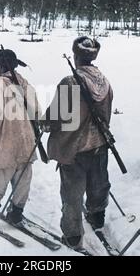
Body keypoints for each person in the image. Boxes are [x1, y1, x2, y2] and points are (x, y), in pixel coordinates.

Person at [40, 36, 113, 249]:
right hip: (99, 143)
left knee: (72, 193)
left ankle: (72, 236)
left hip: (74, 147)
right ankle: (97, 216)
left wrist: (44, 123)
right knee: (98, 183)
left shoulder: (70, 81)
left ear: (76, 56)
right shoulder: (105, 81)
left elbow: (56, 115)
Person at [0, 49, 40, 227]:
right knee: (22, 180)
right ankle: (16, 215)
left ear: (0, 66)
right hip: (27, 140)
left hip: (7, 141)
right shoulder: (25, 83)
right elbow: (37, 111)